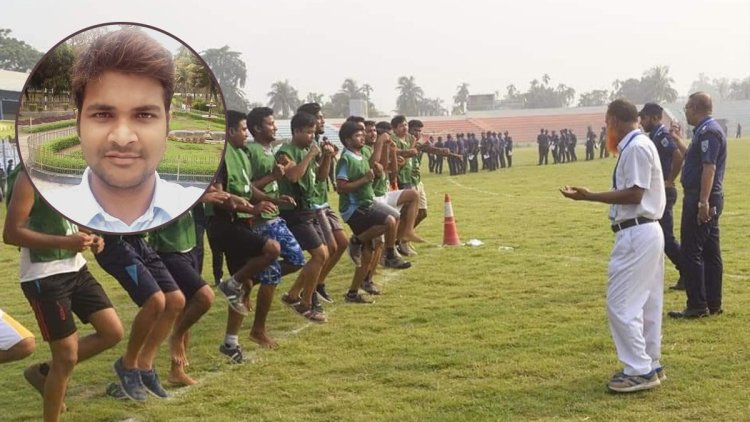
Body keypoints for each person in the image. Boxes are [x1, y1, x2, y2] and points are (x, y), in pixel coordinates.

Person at [42, 28, 204, 233]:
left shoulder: (189, 203)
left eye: (144, 115)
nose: (122, 138)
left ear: (167, 124)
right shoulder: (55, 211)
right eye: (102, 115)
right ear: (78, 123)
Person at [560, 99, 666, 393]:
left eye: (607, 123)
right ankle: (649, 362)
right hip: (645, 231)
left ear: (614, 121)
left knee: (620, 304)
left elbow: (634, 194)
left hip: (636, 232)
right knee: (646, 303)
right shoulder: (638, 145)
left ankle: (640, 370)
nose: (607, 129)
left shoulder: (636, 147)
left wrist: (589, 196)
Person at [4, 168, 123, 417]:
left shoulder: (64, 172)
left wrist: (92, 236)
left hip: (76, 268)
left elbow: (70, 217)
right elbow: (11, 233)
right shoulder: (28, 177)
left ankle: (43, 373)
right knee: (66, 356)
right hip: (43, 276)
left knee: (112, 332)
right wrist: (64, 242)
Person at [211, 110, 283, 361]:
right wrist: (251, 207)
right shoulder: (220, 157)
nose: (246, 133)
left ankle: (231, 343)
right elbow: (221, 198)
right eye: (243, 129)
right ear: (230, 132)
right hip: (224, 224)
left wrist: (270, 198)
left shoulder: (242, 154)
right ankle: (229, 283)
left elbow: (248, 187)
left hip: (242, 222)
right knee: (272, 249)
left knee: (247, 284)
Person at [668, 92, 728, 319]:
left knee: (692, 250)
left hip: (701, 198)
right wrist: (676, 140)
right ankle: (713, 302)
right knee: (711, 250)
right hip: (707, 197)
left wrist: (703, 201)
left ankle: (697, 305)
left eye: (687, 108)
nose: (685, 112)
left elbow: (709, 167)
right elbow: (692, 158)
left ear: (695, 107)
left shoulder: (708, 132)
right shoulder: (705, 131)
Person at [277, 112, 334, 317]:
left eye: (313, 132)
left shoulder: (303, 151)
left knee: (321, 254)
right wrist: (311, 154)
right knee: (319, 255)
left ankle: (294, 295)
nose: (312, 136)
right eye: (308, 132)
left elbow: (321, 177)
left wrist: (326, 156)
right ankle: (306, 302)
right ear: (296, 131)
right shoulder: (286, 152)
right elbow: (292, 176)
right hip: (294, 212)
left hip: (308, 209)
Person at [336, 121, 400, 303]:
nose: (362, 137)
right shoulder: (345, 159)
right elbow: (341, 187)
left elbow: (373, 171)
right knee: (389, 221)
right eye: (358, 135)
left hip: (367, 203)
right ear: (347, 140)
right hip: (354, 208)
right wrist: (364, 180)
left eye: (362, 134)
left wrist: (376, 173)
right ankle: (382, 252)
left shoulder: (361, 156)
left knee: (369, 250)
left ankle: (353, 292)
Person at [296, 103, 348, 306]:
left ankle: (317, 283)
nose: (323, 120)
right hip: (312, 204)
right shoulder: (305, 146)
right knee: (326, 250)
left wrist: (327, 156)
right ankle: (305, 291)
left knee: (342, 244)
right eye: (319, 117)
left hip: (323, 201)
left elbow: (322, 176)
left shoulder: (318, 141)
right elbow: (314, 177)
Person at [638, 103, 685, 290]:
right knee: (657, 236)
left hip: (665, 191)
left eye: (644, 118)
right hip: (659, 191)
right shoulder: (655, 135)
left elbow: (678, 156)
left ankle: (688, 272)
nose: (642, 122)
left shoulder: (662, 135)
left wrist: (670, 179)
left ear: (656, 117)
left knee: (665, 237)